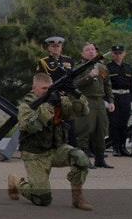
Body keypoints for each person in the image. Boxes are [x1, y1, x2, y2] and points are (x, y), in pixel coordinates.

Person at [7, 72, 93, 210]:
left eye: (50, 88)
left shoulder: (58, 100)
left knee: (80, 157)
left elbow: (82, 111)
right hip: (35, 154)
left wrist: (75, 94)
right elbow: (30, 126)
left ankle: (78, 198)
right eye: (44, 88)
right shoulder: (26, 105)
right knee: (42, 199)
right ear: (34, 88)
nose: (48, 91)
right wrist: (48, 105)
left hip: (56, 149)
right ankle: (17, 182)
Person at [74, 43, 113, 168]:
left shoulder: (101, 67)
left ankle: (100, 159)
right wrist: (89, 77)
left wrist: (111, 101)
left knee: (101, 130)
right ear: (82, 53)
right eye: (87, 50)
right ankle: (83, 160)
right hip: (86, 100)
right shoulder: (79, 68)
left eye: (93, 49)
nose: (91, 51)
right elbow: (75, 84)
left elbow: (107, 85)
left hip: (100, 101)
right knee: (84, 130)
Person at [37, 36, 76, 145]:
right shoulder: (43, 62)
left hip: (67, 97)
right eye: (53, 46)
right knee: (54, 123)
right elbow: (41, 80)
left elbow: (73, 78)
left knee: (70, 124)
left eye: (58, 46)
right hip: (52, 97)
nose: (56, 48)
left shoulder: (69, 61)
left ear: (61, 47)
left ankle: (71, 147)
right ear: (49, 48)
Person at [106, 45, 132, 157]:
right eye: (115, 53)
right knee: (114, 124)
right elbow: (104, 86)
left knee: (124, 123)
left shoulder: (128, 68)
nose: (118, 55)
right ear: (112, 54)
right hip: (113, 97)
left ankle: (123, 147)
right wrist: (107, 101)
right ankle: (116, 147)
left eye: (120, 53)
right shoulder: (107, 68)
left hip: (126, 97)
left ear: (124, 54)